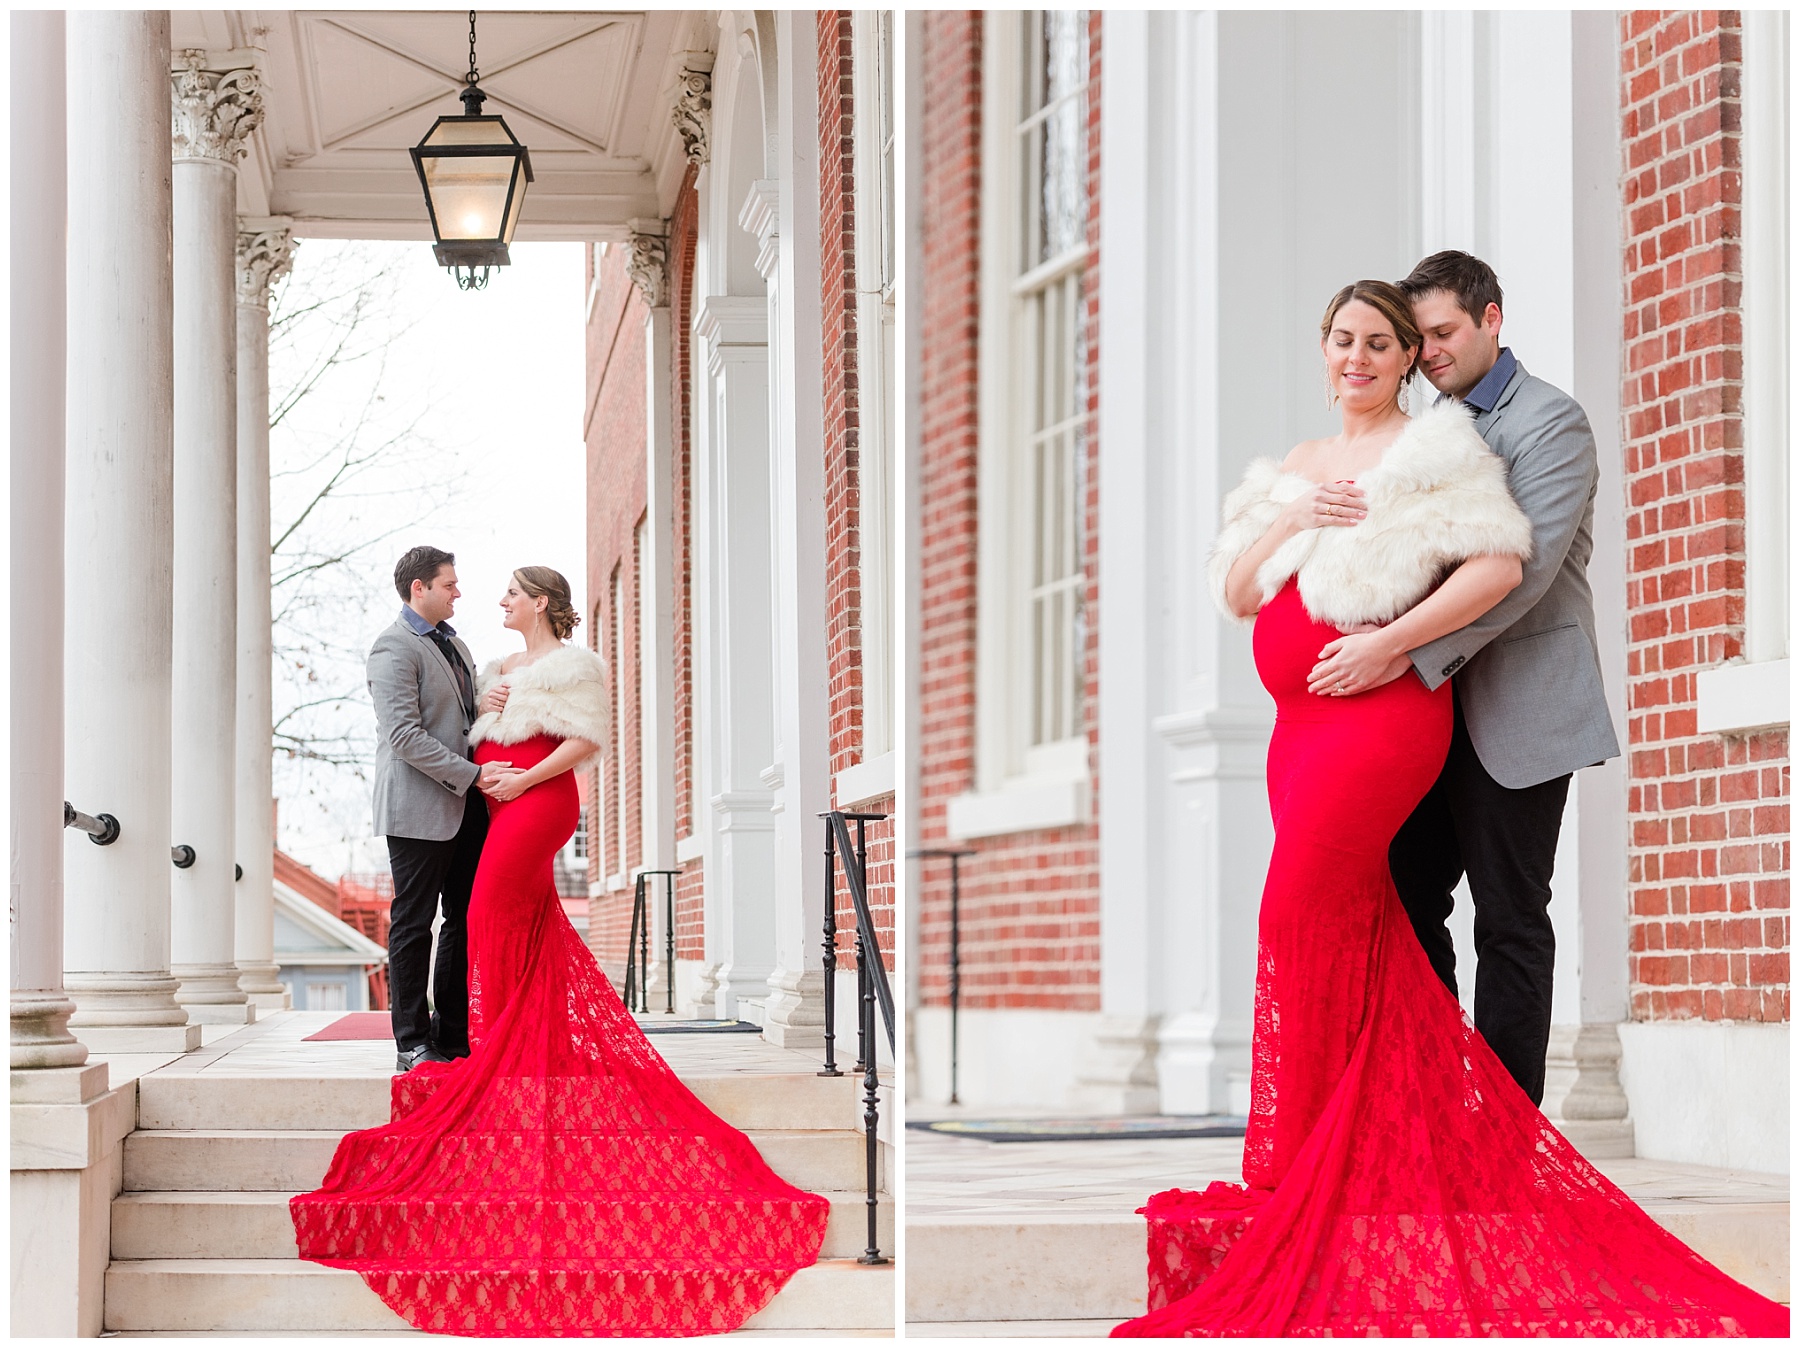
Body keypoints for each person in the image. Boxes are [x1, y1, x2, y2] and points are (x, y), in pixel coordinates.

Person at [1112, 283, 1785, 1336]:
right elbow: (1238, 591)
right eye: (1345, 339)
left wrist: (1392, 644)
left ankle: (1320, 1162)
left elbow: (1502, 564)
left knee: (1296, 917)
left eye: (1383, 343)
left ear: (1410, 359)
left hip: (1377, 719)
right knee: (1364, 926)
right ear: (1322, 348)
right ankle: (1367, 1149)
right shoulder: (1293, 464)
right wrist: (1294, 514)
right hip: (1298, 733)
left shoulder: (1435, 452)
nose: (1362, 357)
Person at [293, 566, 828, 1336]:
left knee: (488, 913)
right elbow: (472, 733)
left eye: (512, 592)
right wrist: (488, 724)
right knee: (508, 923)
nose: (499, 600)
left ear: (541, 602)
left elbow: (583, 742)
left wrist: (520, 781)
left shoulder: (577, 665)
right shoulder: (495, 669)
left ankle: (506, 1051)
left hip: (540, 801)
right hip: (498, 798)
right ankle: (516, 1046)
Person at [1380, 249, 1618, 1105]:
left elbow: (1527, 569)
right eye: (1420, 338)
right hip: (1423, 716)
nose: (1429, 352)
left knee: (1511, 920)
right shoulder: (1424, 427)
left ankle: (1508, 1134)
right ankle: (1443, 1107)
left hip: (1519, 706)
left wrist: (1402, 648)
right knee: (1407, 906)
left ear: (1492, 318)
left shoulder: (1551, 421)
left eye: (1442, 332)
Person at [368, 545, 506, 1073]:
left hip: (466, 806)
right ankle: (411, 1042)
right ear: (418, 588)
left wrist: (483, 706)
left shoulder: (456, 645)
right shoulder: (392, 648)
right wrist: (472, 776)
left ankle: (454, 1036)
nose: (458, 592)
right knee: (413, 922)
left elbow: (456, 719)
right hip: (417, 807)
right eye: (449, 584)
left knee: (463, 921)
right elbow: (403, 734)